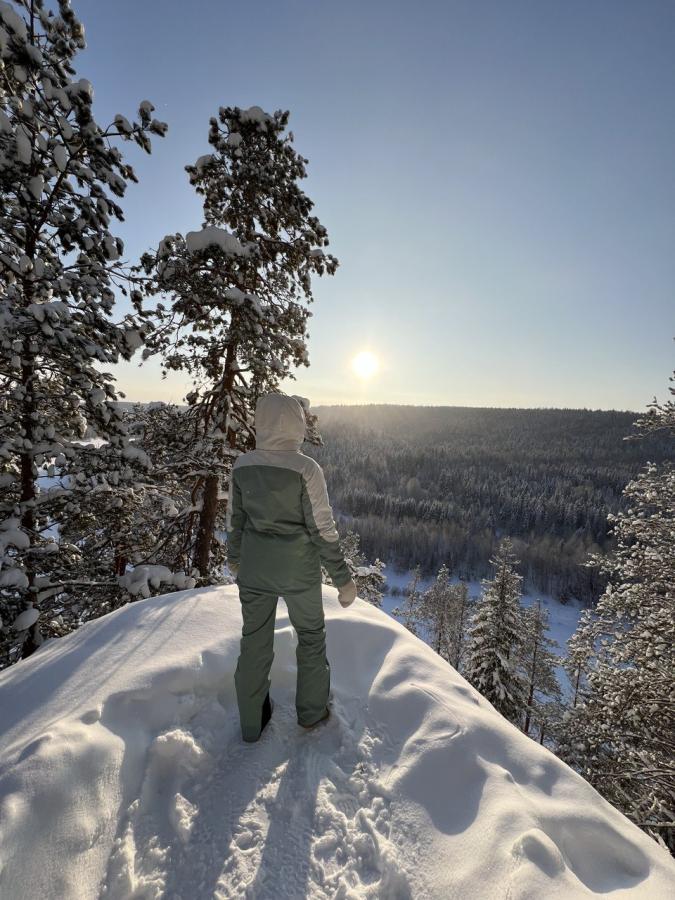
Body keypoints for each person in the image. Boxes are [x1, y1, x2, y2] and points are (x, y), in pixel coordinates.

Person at [226, 393, 358, 743]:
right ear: (297, 424)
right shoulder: (306, 469)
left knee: (254, 642)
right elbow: (322, 528)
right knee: (311, 638)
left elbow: (235, 521)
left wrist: (235, 558)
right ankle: (311, 715)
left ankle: (251, 724)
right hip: (298, 571)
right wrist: (343, 579)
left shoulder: (242, 465)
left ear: (261, 422)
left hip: (254, 569)